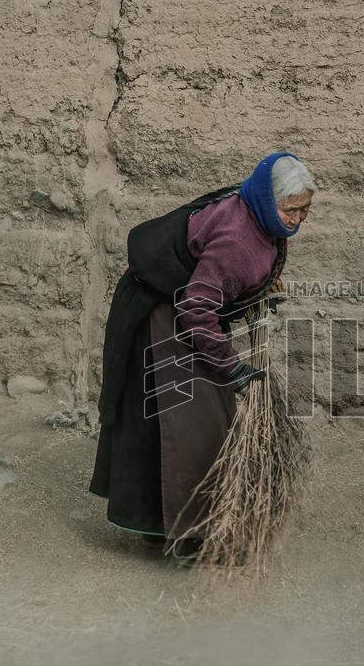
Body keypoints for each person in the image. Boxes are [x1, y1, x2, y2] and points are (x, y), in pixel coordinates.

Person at [89, 153, 316, 560]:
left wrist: (259, 288)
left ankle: (169, 526)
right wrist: (229, 364)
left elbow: (230, 277)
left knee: (189, 418)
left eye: (304, 210)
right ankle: (190, 535)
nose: (297, 219)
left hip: (176, 307)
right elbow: (197, 307)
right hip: (161, 316)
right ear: (267, 199)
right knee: (193, 424)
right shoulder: (238, 240)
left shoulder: (258, 214)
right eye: (291, 209)